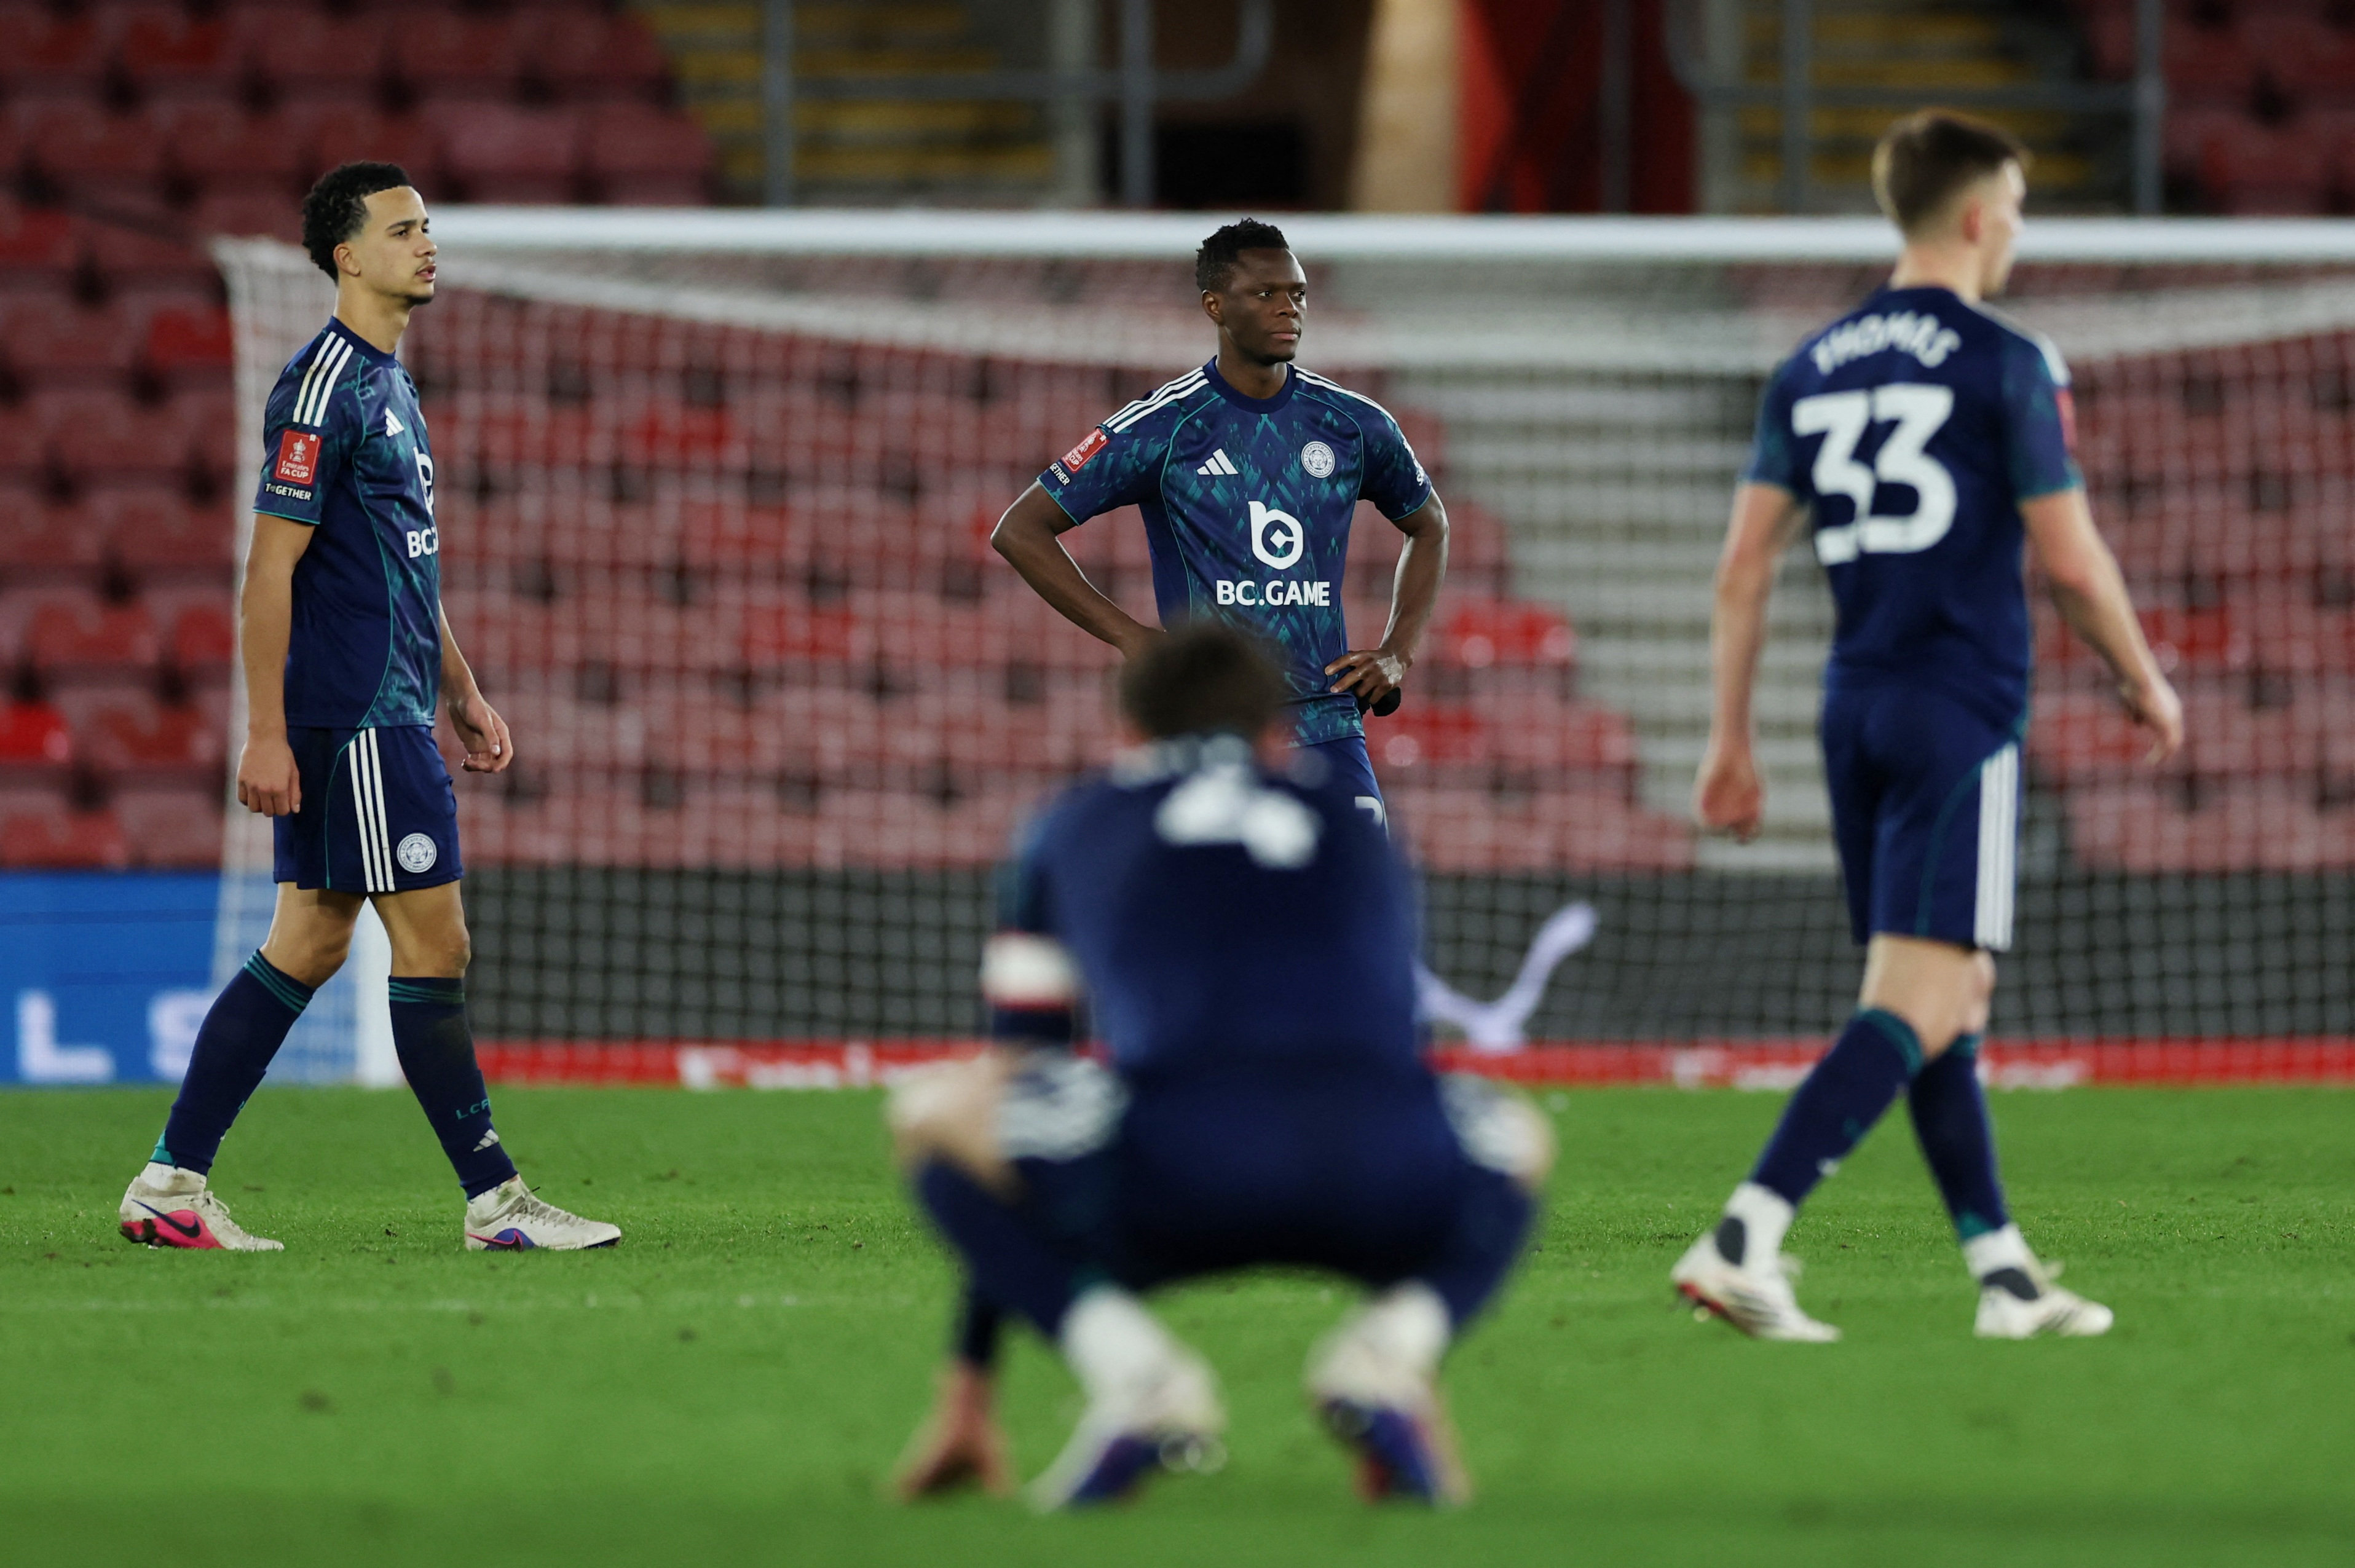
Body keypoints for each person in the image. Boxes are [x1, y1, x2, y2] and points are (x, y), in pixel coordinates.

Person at [1673, 111, 2182, 1340]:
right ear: (1971, 216)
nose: (2014, 232)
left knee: (1944, 990)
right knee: (1919, 996)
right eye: (2011, 209)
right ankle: (1744, 1233)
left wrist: (1725, 741)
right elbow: (2067, 557)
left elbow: (1741, 568)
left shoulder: (1811, 362)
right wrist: (2139, 674)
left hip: (1850, 705)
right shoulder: (2005, 359)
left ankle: (2002, 1275)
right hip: (1958, 707)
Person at [887, 625, 1550, 1508]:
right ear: (1276, 733)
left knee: (934, 1112)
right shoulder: (1357, 828)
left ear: (1126, 733)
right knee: (1523, 1135)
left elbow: (1018, 1071)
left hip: (1171, 1179)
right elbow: (1396, 1053)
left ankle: (1139, 1376)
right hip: (1379, 1179)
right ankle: (1388, 1356)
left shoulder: (1069, 822)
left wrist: (969, 1378)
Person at [116, 163, 618, 1253]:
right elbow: (269, 571)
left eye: (428, 226)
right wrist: (261, 730)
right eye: (402, 229)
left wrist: (462, 684)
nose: (426, 243)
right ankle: (495, 1200)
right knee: (434, 940)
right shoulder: (322, 387)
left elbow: (397, 564)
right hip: (351, 718)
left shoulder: (389, 383)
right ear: (348, 254)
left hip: (393, 704)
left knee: (310, 938)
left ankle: (170, 1182)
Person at [990, 218, 1448, 825]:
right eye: (1266, 294)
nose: (1289, 309)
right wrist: (1132, 638)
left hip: (1328, 726)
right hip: (1208, 726)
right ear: (1215, 305)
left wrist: (1398, 652)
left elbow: (1429, 525)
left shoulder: (1353, 425)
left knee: (1344, 911)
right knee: (1217, 914)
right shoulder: (1167, 427)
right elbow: (1020, 529)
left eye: (1299, 293)